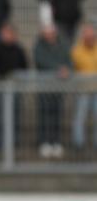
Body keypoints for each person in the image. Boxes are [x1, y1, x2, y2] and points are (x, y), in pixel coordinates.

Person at [33, 24, 71, 159]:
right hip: (44, 88)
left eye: (51, 32)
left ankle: (56, 142)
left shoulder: (63, 45)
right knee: (44, 116)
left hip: (58, 88)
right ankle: (44, 142)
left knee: (57, 116)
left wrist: (66, 69)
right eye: (47, 33)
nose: (49, 35)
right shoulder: (39, 46)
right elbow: (41, 61)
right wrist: (58, 69)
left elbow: (69, 61)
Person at [0, 23, 28, 150]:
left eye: (9, 33)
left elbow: (24, 67)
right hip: (0, 87)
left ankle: (13, 141)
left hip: (14, 88)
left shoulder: (19, 50)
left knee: (14, 115)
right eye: (4, 33)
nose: (7, 36)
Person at [71, 23, 97, 150]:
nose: (91, 38)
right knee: (80, 117)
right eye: (88, 36)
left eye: (92, 36)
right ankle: (78, 143)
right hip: (83, 90)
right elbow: (76, 66)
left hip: (96, 89)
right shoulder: (77, 50)